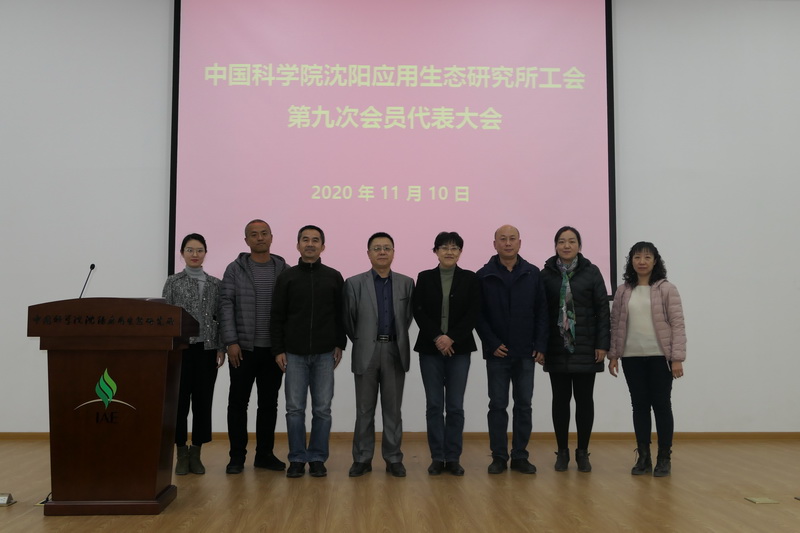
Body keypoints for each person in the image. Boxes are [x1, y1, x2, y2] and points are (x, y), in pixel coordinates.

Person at [273, 225, 347, 478]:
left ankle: (316, 457)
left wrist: (339, 343)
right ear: (298, 245)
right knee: (294, 409)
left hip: (325, 354)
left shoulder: (334, 276)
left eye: (315, 240)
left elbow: (341, 314)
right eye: (305, 240)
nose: (310, 244)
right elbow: (277, 316)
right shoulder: (287, 277)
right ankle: (296, 458)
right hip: (293, 354)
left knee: (322, 409)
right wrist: (278, 349)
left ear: (323, 246)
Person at [608, 241, 686, 477]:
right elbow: (616, 324)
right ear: (631, 261)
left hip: (660, 357)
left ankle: (664, 458)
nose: (642, 262)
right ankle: (643, 457)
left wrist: (677, 358)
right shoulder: (623, 291)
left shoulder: (667, 289)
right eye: (637, 257)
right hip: (631, 357)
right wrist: (614, 355)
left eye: (647, 257)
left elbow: (677, 324)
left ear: (655, 261)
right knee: (639, 406)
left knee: (662, 405)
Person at [476, 224, 548, 474]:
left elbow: (542, 312)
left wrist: (540, 344)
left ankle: (520, 456)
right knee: (497, 405)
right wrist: (492, 343)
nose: (507, 243)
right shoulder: (483, 275)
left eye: (512, 239)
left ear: (519, 243)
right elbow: (478, 315)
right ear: (494, 244)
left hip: (526, 352)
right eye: (503, 239)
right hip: (498, 353)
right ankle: (498, 456)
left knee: (524, 405)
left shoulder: (532, 273)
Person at [220, 219, 288, 474]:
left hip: (273, 351)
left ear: (271, 237)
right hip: (243, 350)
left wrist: (284, 346)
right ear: (246, 240)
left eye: (264, 233)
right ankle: (237, 457)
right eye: (254, 234)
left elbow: (291, 310)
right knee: (238, 403)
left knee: (269, 404)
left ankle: (264, 455)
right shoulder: (235, 269)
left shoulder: (283, 270)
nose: (260, 238)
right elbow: (225, 305)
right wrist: (231, 341)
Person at [343, 232, 414, 478]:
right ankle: (362, 459)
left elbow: (407, 318)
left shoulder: (406, 283)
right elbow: (349, 320)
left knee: (393, 410)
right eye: (377, 248)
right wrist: (364, 340)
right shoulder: (354, 283)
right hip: (366, 352)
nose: (382, 252)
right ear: (368, 253)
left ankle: (393, 458)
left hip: (395, 350)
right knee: (364, 410)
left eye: (386, 248)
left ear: (393, 252)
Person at [540, 226, 609, 473]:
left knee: (584, 401)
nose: (566, 245)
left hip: (587, 347)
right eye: (561, 241)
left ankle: (582, 452)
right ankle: (562, 452)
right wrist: (540, 347)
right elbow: (541, 314)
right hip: (556, 347)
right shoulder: (546, 274)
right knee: (560, 401)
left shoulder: (592, 272)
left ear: (579, 245)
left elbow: (603, 311)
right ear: (555, 246)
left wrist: (602, 344)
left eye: (571, 241)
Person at [413, 232, 481, 476]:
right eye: (444, 247)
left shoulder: (470, 278)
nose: (449, 252)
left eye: (454, 248)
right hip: (430, 350)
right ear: (436, 251)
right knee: (434, 405)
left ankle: (452, 457)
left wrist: (451, 337)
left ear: (460, 252)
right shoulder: (424, 277)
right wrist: (437, 337)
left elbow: (473, 312)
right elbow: (418, 310)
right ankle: (437, 457)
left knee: (454, 406)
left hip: (459, 349)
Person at [162, 233, 225, 475]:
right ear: (182, 254)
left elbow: (221, 319)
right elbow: (166, 318)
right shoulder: (173, 282)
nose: (195, 254)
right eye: (190, 250)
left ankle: (196, 452)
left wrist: (220, 347)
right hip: (180, 350)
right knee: (179, 403)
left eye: (199, 250)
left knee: (202, 402)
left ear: (205, 253)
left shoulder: (215, 284)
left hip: (206, 351)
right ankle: (181, 452)